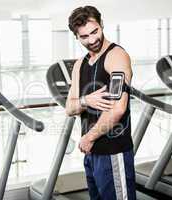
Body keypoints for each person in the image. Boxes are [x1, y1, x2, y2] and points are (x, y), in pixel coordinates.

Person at [66, 6, 136, 200]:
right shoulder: (80, 64)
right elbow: (69, 107)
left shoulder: (116, 57)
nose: (92, 40)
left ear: (102, 24)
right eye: (84, 36)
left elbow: (118, 108)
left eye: (95, 31)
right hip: (91, 154)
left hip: (113, 151)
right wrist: (86, 100)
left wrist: (88, 138)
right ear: (76, 37)